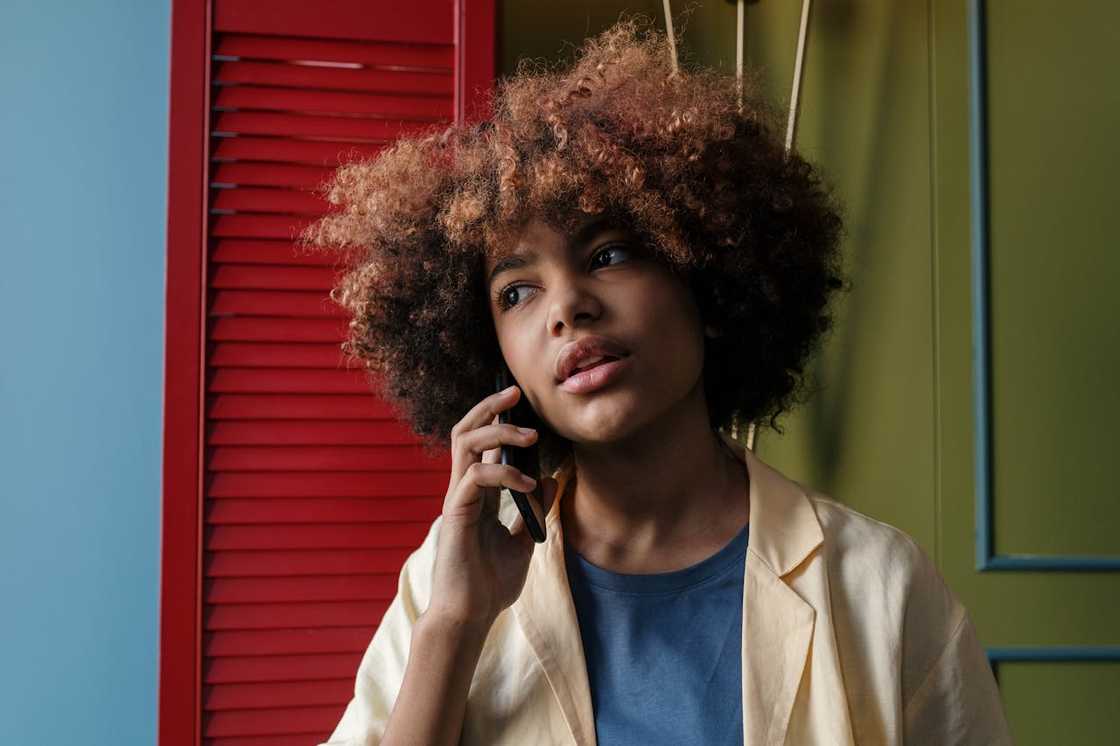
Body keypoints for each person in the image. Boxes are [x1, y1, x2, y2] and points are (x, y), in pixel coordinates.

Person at [301, 18, 1014, 746]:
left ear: (706, 281)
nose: (567, 307)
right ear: (491, 357)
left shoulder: (882, 586)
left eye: (608, 255)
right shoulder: (444, 585)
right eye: (516, 292)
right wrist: (454, 625)